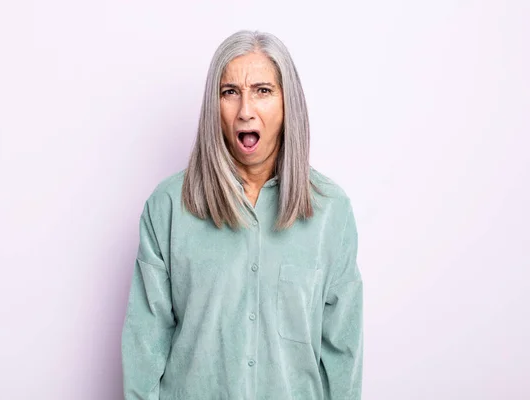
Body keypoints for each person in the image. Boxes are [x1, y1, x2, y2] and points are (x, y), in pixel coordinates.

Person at [121, 30, 363, 400]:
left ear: (287, 104)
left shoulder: (332, 211)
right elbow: (144, 346)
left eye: (263, 91)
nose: (245, 110)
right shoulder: (168, 206)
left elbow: (342, 354)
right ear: (213, 105)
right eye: (229, 92)